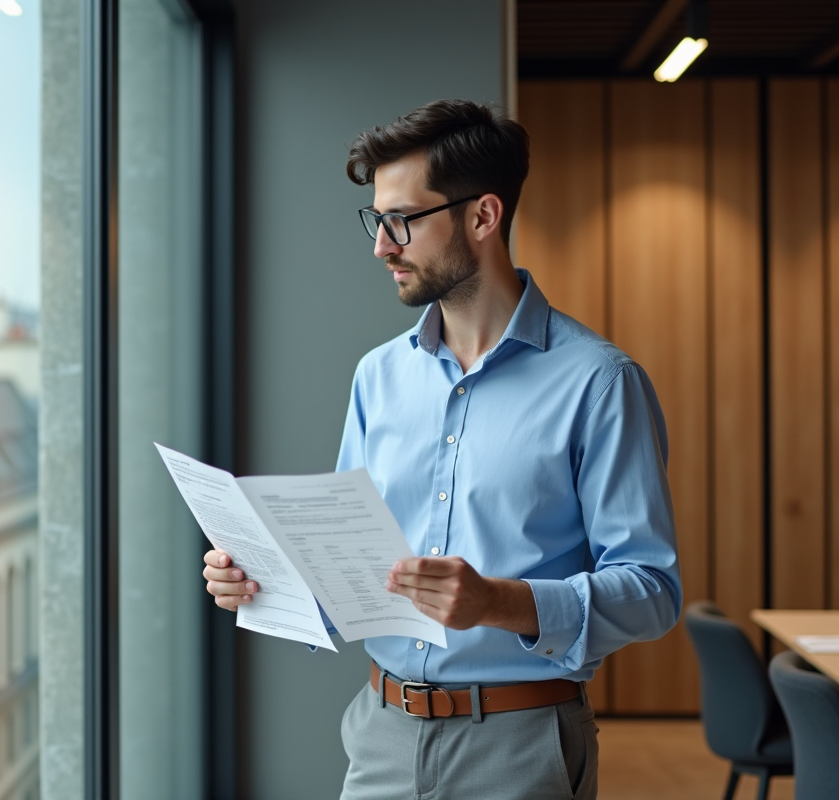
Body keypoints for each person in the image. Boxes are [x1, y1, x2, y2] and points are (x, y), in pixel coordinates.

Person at [202, 99, 682, 800]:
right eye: (377, 221)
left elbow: (651, 591)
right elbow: (352, 575)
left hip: (521, 747)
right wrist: (263, 581)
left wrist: (501, 602)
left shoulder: (599, 383)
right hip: (381, 737)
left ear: (482, 217)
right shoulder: (378, 376)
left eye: (402, 221)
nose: (381, 246)